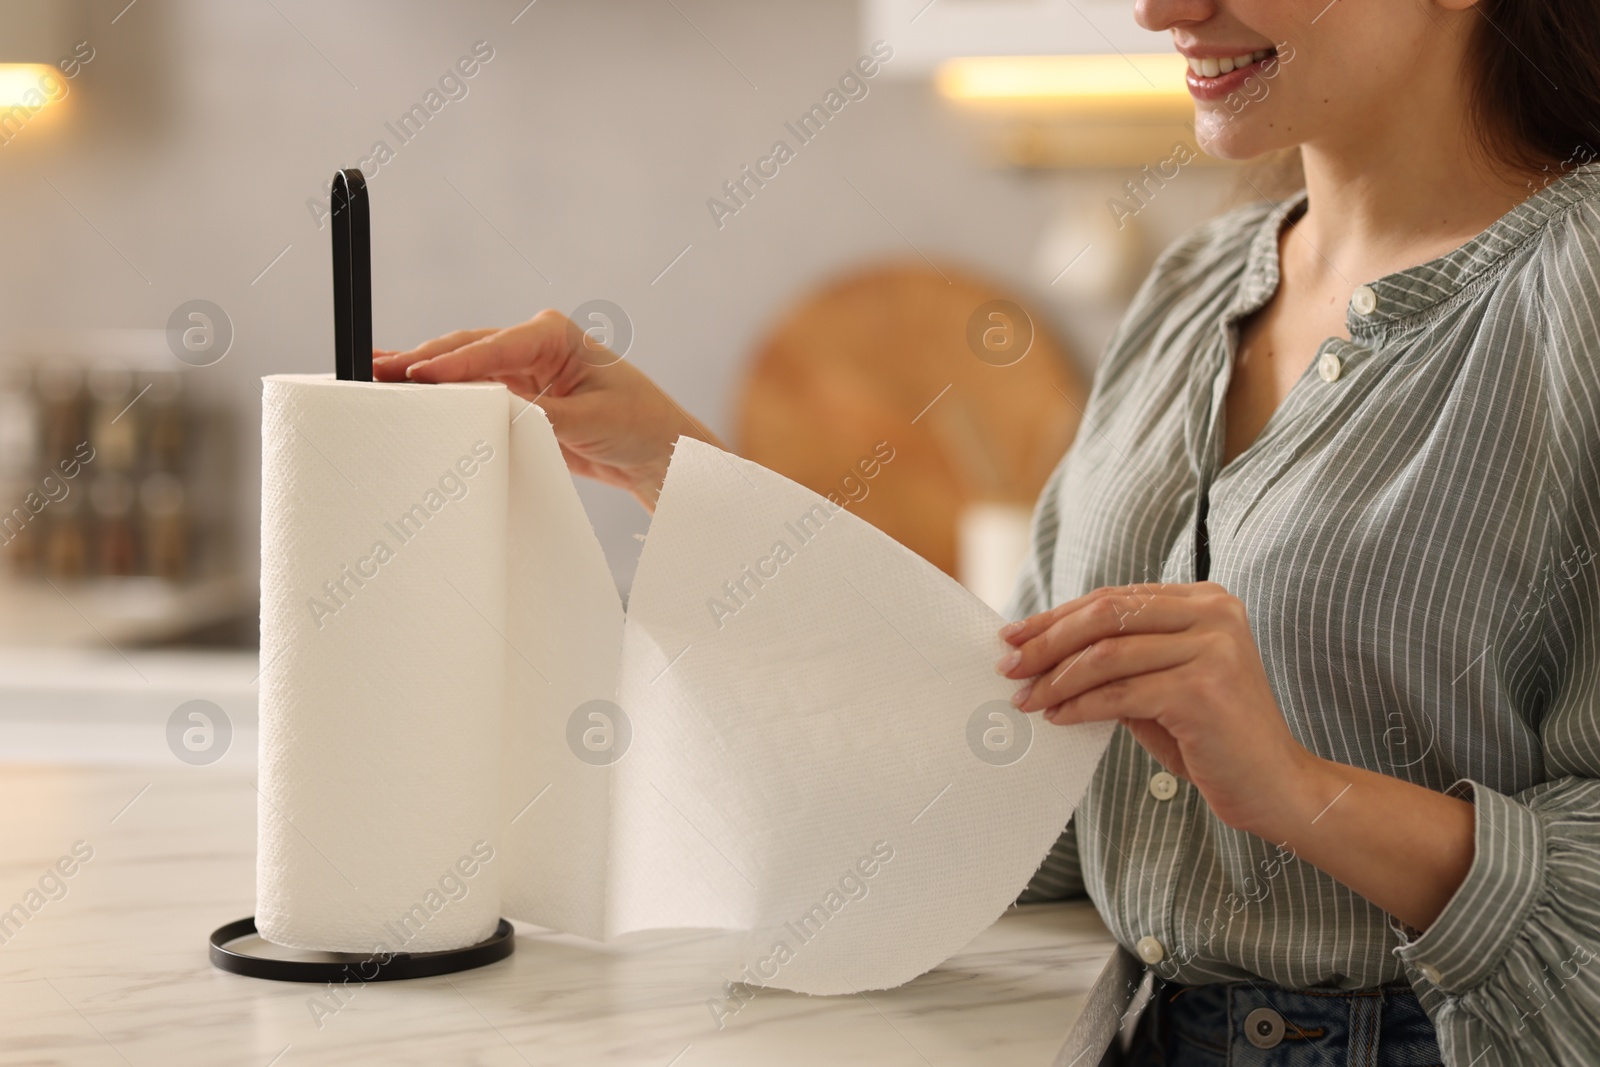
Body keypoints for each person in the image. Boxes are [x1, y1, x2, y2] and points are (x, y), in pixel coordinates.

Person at [374, 0, 1600, 1061]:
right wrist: (686, 474)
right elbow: (1017, 750)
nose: (1161, 9)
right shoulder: (1195, 287)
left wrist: (1297, 790)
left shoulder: (1578, 299)